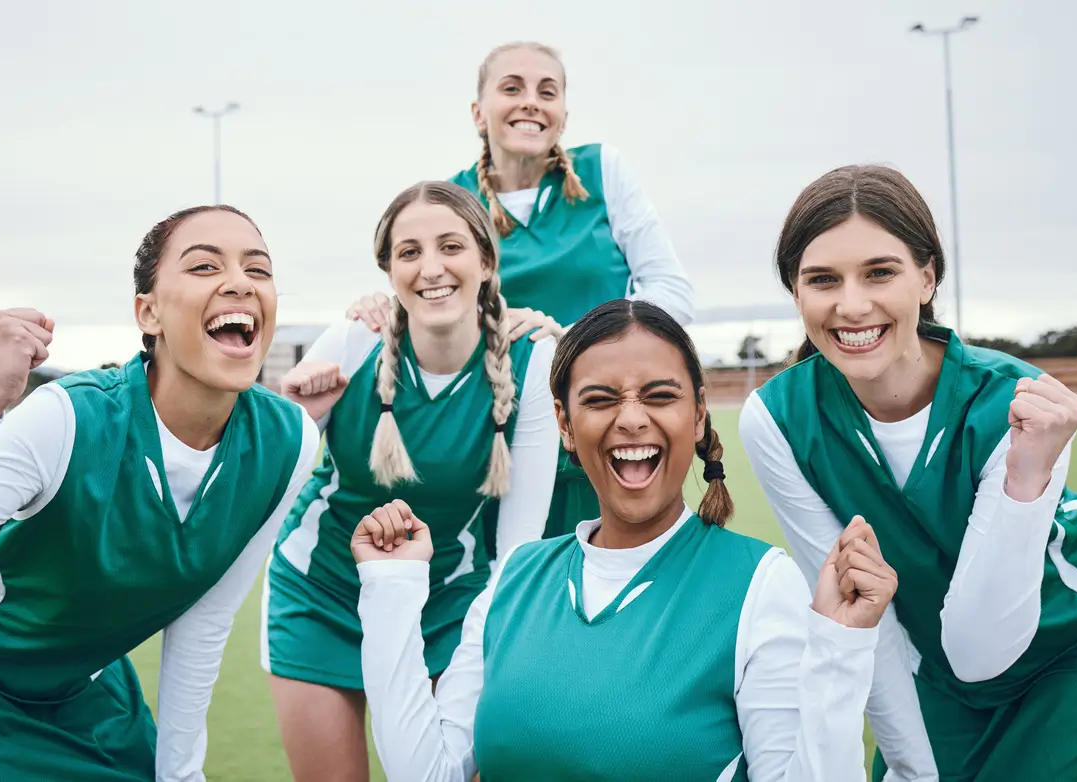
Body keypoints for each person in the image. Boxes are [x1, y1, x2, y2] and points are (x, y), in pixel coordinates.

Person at [351, 298, 898, 781]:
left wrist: (839, 649)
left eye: (660, 396)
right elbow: (428, 773)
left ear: (699, 415)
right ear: (565, 423)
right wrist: (391, 590)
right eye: (600, 399)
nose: (632, 419)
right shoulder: (515, 578)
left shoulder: (759, 584)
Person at [0, 205, 320, 781]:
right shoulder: (66, 420)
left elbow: (204, 623)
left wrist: (180, 774)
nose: (239, 283)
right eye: (204, 267)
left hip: (91, 700)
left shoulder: (289, 441)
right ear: (148, 313)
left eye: (258, 269)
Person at [739, 164, 1077, 781]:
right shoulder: (776, 419)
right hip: (933, 676)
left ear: (927, 276)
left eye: (880, 272)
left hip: (1069, 653)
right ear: (796, 292)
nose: (852, 305)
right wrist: (913, 767)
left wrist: (1025, 480)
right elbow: (865, 620)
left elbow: (980, 648)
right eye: (823, 279)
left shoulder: (1014, 404)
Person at [261, 181, 559, 782]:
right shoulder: (353, 341)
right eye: (409, 252)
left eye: (450, 246)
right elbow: (263, 479)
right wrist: (296, 411)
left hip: (451, 602)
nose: (431, 269)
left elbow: (518, 546)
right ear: (389, 270)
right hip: (322, 597)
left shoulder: (533, 362)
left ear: (485, 259)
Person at [347, 41, 697, 545]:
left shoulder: (605, 171)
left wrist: (570, 336)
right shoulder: (453, 198)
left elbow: (674, 295)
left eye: (546, 91)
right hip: (495, 445)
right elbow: (423, 284)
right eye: (511, 88)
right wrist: (378, 305)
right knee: (511, 597)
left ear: (562, 115)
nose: (530, 101)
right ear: (478, 112)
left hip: (603, 428)